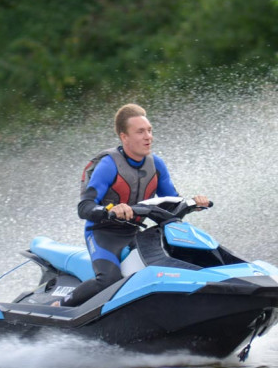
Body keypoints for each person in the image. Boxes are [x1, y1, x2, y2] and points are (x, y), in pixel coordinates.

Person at [55, 104, 209, 307]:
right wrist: (111, 210)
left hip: (134, 234)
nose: (148, 137)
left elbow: (173, 204)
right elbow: (84, 208)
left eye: (150, 130)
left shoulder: (156, 165)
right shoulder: (109, 165)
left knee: (167, 268)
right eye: (140, 132)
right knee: (108, 281)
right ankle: (60, 306)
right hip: (103, 234)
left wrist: (194, 203)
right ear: (124, 137)